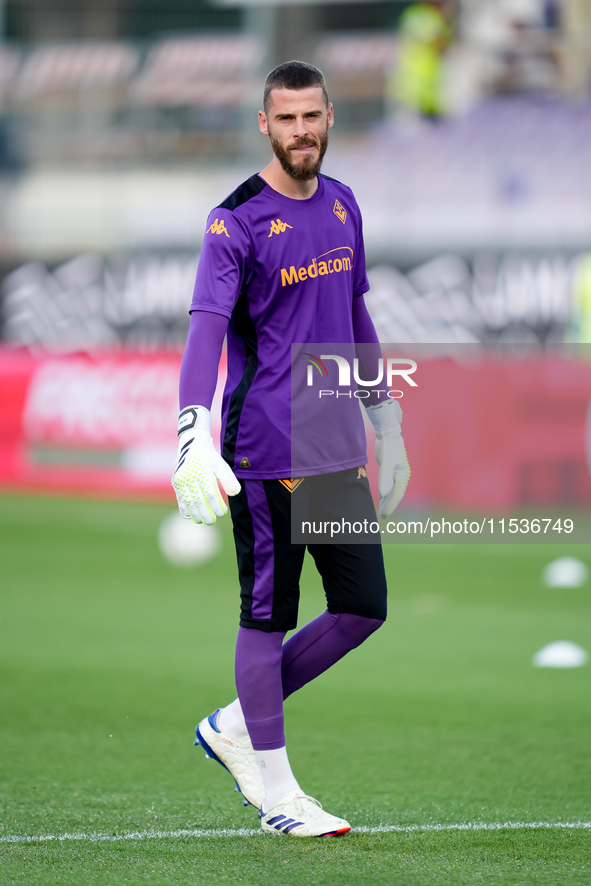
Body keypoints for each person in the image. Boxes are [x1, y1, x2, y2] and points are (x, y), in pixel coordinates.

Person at [172, 61, 410, 838]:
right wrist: (190, 430)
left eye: (312, 116)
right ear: (264, 125)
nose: (301, 131)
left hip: (335, 444)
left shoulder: (343, 204)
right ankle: (277, 792)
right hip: (266, 448)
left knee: (362, 607)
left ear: (330, 116)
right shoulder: (233, 220)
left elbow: (357, 319)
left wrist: (387, 422)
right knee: (267, 615)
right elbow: (205, 328)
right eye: (286, 119)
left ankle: (234, 725)